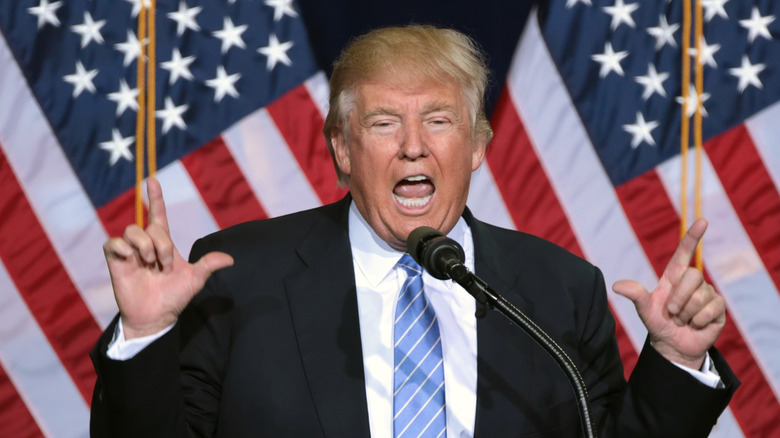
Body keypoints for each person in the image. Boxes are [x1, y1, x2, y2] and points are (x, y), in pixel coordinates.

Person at [91, 25, 738, 437]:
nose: (412, 148)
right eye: (381, 124)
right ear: (342, 149)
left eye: (438, 120)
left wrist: (678, 360)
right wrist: (147, 333)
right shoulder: (241, 275)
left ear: (479, 144)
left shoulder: (558, 289)